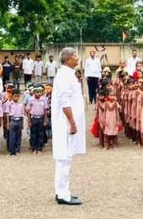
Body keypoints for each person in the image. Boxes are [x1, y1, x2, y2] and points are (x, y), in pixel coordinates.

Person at [51, 47, 86, 206]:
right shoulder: (64, 75)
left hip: (67, 122)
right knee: (65, 158)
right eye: (75, 56)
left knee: (65, 159)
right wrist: (72, 122)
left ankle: (62, 190)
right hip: (65, 123)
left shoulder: (68, 74)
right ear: (68, 59)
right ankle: (63, 194)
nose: (78, 58)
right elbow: (65, 101)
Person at [27, 85, 48, 154]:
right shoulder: (31, 99)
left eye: (40, 92)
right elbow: (28, 111)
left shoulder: (44, 99)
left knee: (40, 134)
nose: (38, 93)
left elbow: (45, 110)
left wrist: (45, 120)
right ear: (34, 92)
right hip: (33, 118)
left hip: (41, 118)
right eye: (37, 92)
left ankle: (39, 148)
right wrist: (29, 121)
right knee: (33, 134)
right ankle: (34, 148)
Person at [6, 89, 25, 155]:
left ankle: (17, 150)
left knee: (18, 136)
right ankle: (12, 150)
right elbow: (8, 114)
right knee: (12, 136)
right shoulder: (9, 104)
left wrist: (22, 123)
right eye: (15, 96)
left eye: (18, 96)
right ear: (12, 96)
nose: (16, 98)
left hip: (19, 120)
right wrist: (8, 123)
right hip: (12, 120)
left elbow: (22, 115)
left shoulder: (21, 104)